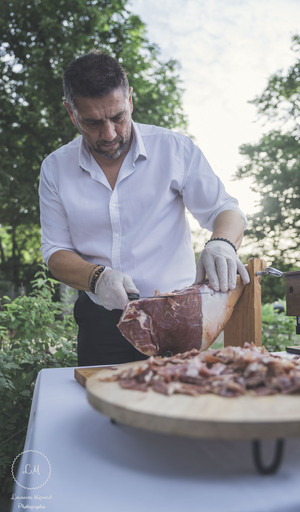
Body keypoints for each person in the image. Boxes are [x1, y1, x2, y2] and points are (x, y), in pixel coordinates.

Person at [39, 51, 250, 366]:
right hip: (101, 321)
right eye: (93, 122)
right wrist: (97, 277)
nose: (109, 134)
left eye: (118, 117)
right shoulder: (55, 168)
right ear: (72, 113)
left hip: (178, 317)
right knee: (103, 409)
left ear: (130, 100)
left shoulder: (175, 149)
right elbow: (55, 253)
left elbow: (226, 210)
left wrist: (222, 243)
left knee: (182, 404)